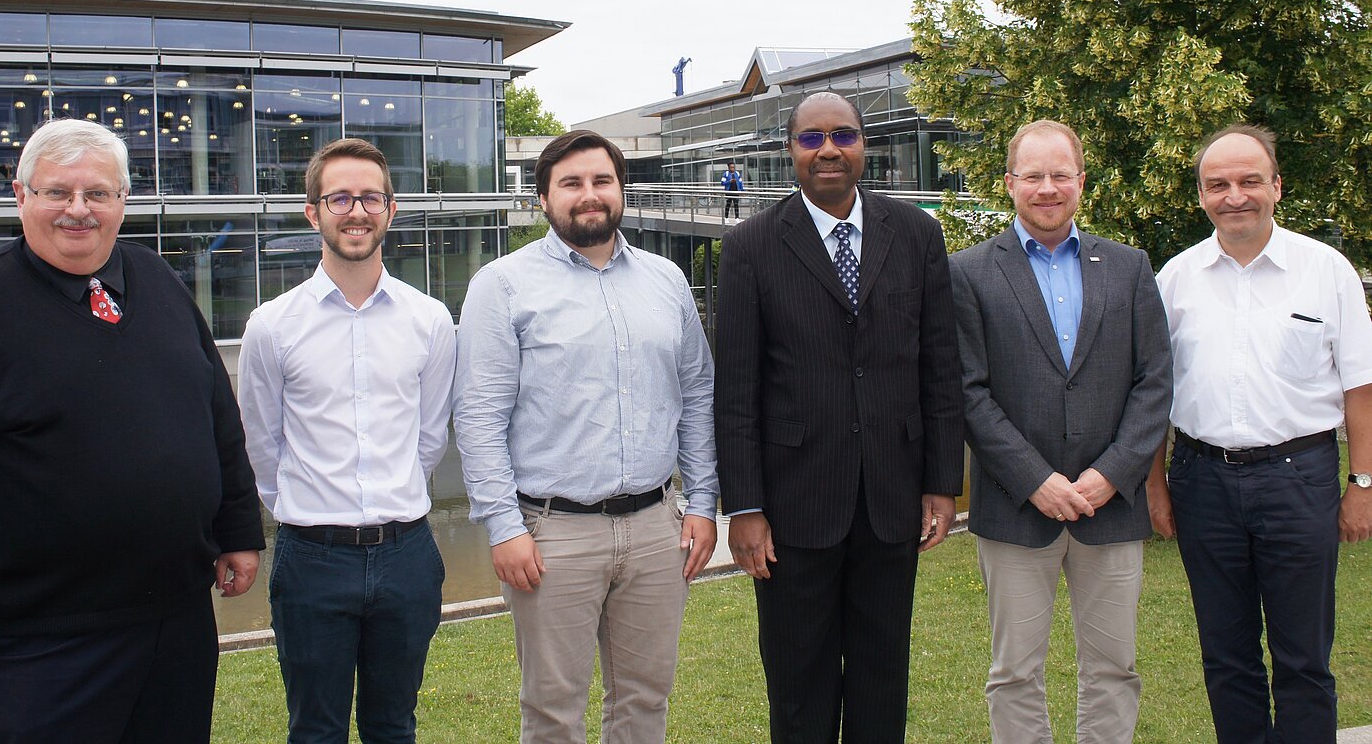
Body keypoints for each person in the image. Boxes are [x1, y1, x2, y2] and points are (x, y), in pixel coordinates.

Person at [0, 118, 264, 742]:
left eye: (98, 194)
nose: (78, 210)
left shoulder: (160, 284)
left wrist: (238, 530)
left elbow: (217, 418)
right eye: (57, 192)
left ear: (123, 201)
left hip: (175, 623)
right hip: (41, 644)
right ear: (21, 196)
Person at [714, 91, 964, 742]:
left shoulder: (916, 235)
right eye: (811, 138)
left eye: (843, 135)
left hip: (892, 499)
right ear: (791, 151)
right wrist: (744, 506)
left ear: (863, 145)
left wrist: (943, 479)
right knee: (800, 687)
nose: (828, 148)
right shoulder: (749, 247)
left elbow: (939, 365)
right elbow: (736, 388)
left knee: (884, 678)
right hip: (793, 507)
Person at [454, 129, 718, 743]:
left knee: (645, 703)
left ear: (621, 190)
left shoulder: (667, 280)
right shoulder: (502, 285)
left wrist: (703, 504)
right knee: (552, 713)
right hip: (552, 535)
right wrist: (504, 527)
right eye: (571, 183)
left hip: (657, 530)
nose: (589, 195)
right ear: (543, 199)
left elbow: (697, 395)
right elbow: (479, 417)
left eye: (602, 181)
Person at [1147, 124, 1372, 743]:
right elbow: (1151, 395)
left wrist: (1362, 485)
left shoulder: (1326, 271)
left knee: (1304, 660)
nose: (1234, 195)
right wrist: (1156, 486)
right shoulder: (1175, 280)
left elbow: (1361, 389)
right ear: (1200, 196)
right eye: (1217, 184)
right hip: (1203, 482)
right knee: (1227, 658)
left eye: (1249, 180)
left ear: (1276, 185)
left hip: (1299, 482)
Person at [950, 120, 1173, 743]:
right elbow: (968, 393)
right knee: (1015, 673)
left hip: (1112, 506)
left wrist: (1112, 474)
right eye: (1033, 176)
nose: (1047, 188)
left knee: (1114, 669)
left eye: (1060, 175)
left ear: (1081, 180)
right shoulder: (967, 273)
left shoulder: (1129, 267)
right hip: (1016, 508)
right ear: (1009, 184)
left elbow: (1155, 382)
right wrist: (1037, 481)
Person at [238, 138, 454, 744]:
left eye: (370, 198)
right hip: (312, 560)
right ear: (313, 212)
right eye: (339, 198)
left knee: (394, 726)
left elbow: (429, 435)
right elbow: (262, 442)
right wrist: (307, 513)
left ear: (390, 209)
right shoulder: (272, 325)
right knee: (315, 730)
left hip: (407, 555)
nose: (356, 211)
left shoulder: (430, 321)